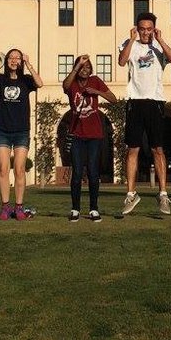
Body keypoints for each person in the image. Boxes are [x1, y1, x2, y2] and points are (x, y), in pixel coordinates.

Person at [0, 45, 44, 220]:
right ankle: (5, 207)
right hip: (3, 130)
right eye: (11, 57)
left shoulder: (26, 81)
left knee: (19, 169)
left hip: (21, 131)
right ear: (7, 61)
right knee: (3, 169)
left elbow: (40, 83)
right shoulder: (0, 79)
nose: (14, 60)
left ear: (21, 61)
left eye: (17, 57)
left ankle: (19, 207)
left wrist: (29, 64)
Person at [117, 12, 171, 215]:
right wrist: (132, 39)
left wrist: (160, 39)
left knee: (157, 149)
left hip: (156, 102)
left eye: (149, 29)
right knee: (132, 149)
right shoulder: (130, 43)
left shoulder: (159, 45)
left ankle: (162, 195)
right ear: (137, 28)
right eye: (142, 29)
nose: (145, 32)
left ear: (154, 29)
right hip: (135, 101)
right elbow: (121, 61)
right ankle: (131, 194)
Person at [62, 54, 118, 222]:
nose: (85, 70)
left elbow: (114, 99)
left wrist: (97, 91)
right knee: (77, 172)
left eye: (88, 67)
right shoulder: (71, 83)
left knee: (94, 172)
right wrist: (76, 66)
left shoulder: (96, 81)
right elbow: (65, 85)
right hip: (77, 134)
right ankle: (75, 209)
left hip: (94, 134)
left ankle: (94, 209)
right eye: (82, 67)